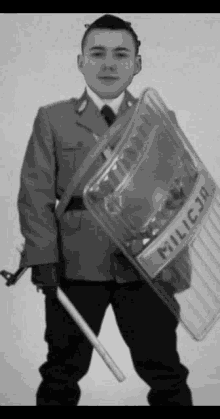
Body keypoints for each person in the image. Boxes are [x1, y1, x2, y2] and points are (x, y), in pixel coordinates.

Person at [17, 14, 193, 406]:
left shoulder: (158, 119)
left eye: (120, 54)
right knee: (61, 372)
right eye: (97, 54)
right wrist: (43, 256)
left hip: (146, 267)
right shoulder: (53, 118)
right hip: (74, 265)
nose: (109, 64)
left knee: (165, 371)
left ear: (137, 64)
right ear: (81, 62)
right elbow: (35, 192)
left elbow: (180, 195)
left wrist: (172, 261)